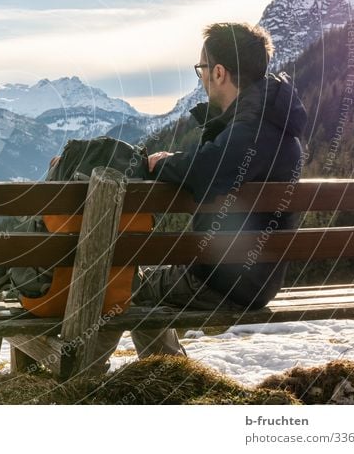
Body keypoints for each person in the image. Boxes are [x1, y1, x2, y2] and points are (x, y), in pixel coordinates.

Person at [92, 21, 308, 370]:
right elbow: (216, 163)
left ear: (219, 72)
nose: (201, 77)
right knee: (144, 289)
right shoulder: (273, 123)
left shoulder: (252, 128)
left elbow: (205, 172)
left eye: (202, 69)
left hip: (223, 282)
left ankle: (81, 374)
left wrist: (160, 163)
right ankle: (165, 367)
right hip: (256, 277)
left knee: (118, 288)